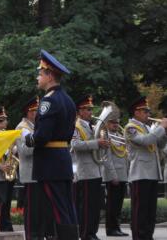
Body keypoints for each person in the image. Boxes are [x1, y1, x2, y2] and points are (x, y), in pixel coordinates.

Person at [24, 50, 79, 240]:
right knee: (66, 205)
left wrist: (28, 138)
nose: (37, 78)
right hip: (62, 158)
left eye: (40, 74)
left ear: (49, 76)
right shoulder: (68, 100)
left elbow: (42, 136)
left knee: (56, 207)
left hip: (50, 162)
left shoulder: (48, 100)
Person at [124, 97, 167, 240]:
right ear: (136, 112)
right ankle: (139, 236)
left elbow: (160, 145)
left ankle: (148, 236)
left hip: (152, 173)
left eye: (148, 111)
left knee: (150, 211)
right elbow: (145, 141)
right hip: (140, 173)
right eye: (144, 111)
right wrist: (161, 127)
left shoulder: (148, 128)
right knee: (140, 211)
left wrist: (165, 133)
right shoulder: (130, 127)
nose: (148, 114)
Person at [71, 95, 106, 240]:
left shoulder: (92, 126)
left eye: (91, 109)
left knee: (94, 205)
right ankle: (86, 233)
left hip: (96, 170)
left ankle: (92, 232)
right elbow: (75, 145)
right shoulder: (76, 126)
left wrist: (104, 145)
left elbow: (97, 148)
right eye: (87, 109)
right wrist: (97, 143)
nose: (91, 112)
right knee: (86, 206)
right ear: (79, 111)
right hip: (84, 171)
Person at [15, 96, 38, 240]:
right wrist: (40, 143)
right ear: (30, 112)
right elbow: (24, 151)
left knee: (39, 209)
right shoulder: (22, 128)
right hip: (30, 173)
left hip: (38, 173)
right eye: (36, 111)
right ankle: (31, 236)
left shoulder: (35, 127)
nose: (38, 113)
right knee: (31, 211)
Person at [101, 116, 128, 237]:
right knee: (112, 204)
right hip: (113, 175)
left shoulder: (120, 136)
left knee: (118, 204)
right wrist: (113, 175)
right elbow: (107, 158)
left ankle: (117, 227)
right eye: (113, 123)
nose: (116, 125)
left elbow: (124, 156)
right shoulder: (105, 137)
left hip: (122, 174)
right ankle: (111, 229)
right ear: (107, 124)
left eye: (117, 123)